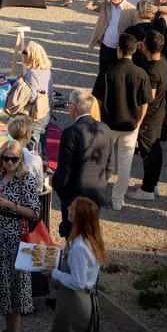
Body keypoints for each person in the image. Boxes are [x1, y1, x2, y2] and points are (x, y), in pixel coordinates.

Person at [0, 139, 40, 332]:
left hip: (16, 238)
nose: (9, 162)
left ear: (20, 159)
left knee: (13, 287)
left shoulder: (27, 180)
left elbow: (35, 212)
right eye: (5, 158)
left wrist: (11, 205)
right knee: (3, 285)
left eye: (13, 159)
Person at [92, 32, 150, 211]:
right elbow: (145, 102)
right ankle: (118, 199)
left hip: (108, 123)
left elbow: (98, 99)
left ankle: (98, 194)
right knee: (125, 163)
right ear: (133, 51)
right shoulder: (141, 74)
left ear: (119, 49)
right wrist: (139, 122)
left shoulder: (107, 71)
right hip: (130, 124)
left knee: (102, 161)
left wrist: (99, 120)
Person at [43, 197, 105, 332]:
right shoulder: (88, 239)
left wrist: (53, 273)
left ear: (80, 217)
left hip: (74, 301)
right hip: (80, 300)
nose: (69, 207)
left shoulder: (79, 247)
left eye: (73, 207)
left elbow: (78, 282)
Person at [53, 89, 113, 237]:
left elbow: (64, 170)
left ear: (73, 107)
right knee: (90, 236)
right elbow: (110, 165)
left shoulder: (71, 132)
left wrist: (59, 190)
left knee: (72, 237)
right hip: (96, 193)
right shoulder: (105, 129)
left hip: (73, 195)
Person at [129, 31, 167, 201]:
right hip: (159, 112)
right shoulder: (163, 61)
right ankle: (152, 184)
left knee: (149, 152)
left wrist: (138, 120)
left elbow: (148, 99)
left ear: (146, 47)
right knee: (155, 149)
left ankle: (147, 189)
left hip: (150, 116)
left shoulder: (152, 71)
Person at [88, 0, 137, 78]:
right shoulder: (106, 6)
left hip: (120, 50)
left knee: (118, 77)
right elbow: (87, 4)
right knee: (103, 76)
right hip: (106, 47)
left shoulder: (131, 10)